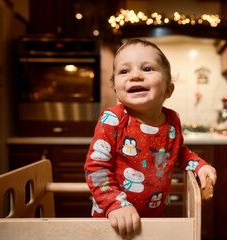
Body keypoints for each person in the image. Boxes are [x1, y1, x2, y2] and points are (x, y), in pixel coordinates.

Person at [84, 38, 217, 237]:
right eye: (124, 71)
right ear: (116, 90)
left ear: (168, 89)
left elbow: (178, 153)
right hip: (113, 220)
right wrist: (115, 205)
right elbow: (96, 168)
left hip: (154, 219)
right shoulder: (112, 119)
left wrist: (199, 165)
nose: (135, 76)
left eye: (147, 69)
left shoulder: (172, 120)